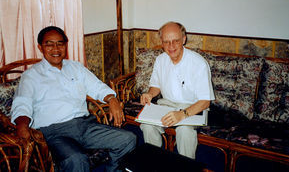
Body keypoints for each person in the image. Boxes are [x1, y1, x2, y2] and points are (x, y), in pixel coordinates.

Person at [11, 26, 136, 172]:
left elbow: (97, 87)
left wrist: (112, 100)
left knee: (128, 139)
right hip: (55, 133)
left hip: (85, 125)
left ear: (66, 45)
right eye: (49, 44)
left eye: (60, 43)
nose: (56, 49)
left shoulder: (75, 67)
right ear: (40, 47)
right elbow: (22, 103)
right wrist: (22, 125)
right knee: (76, 159)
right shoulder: (31, 75)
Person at [140, 21, 215, 159]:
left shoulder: (198, 63)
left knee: (184, 131)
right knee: (147, 125)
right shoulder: (161, 60)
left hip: (192, 108)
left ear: (184, 39)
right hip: (166, 105)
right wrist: (150, 94)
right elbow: (155, 85)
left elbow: (205, 101)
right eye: (166, 42)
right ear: (161, 42)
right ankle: (155, 164)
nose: (171, 46)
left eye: (175, 41)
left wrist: (182, 114)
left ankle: (187, 168)